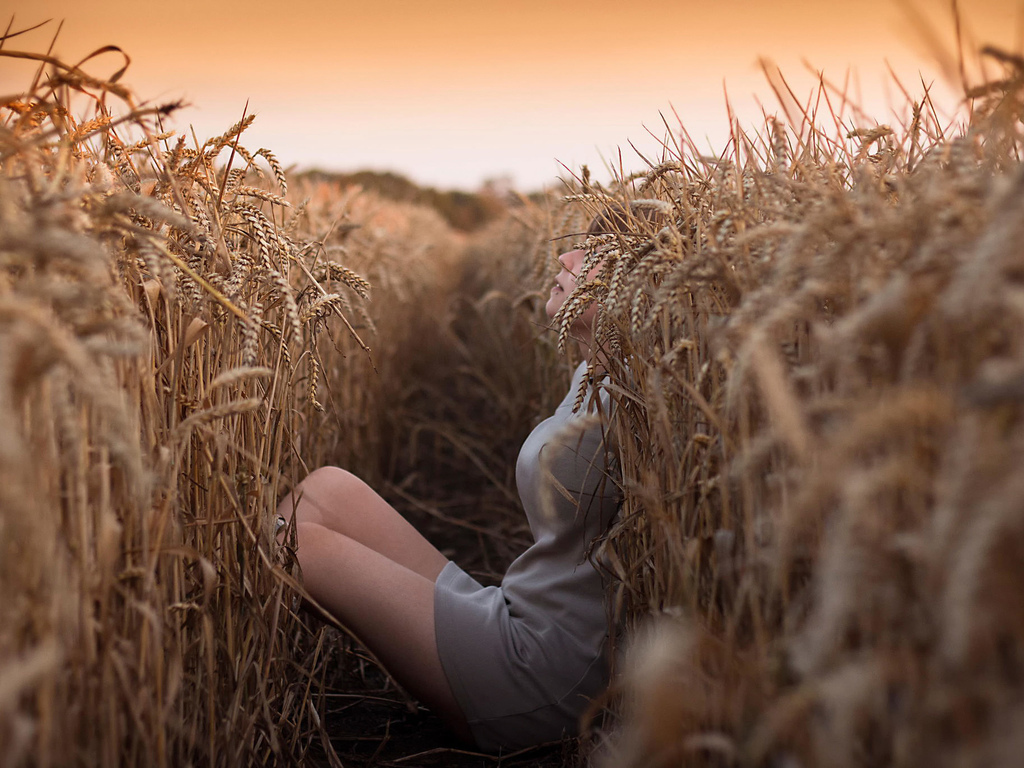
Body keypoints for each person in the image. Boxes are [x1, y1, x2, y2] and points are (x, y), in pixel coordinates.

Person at [277, 215, 623, 752]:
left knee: (299, 547)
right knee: (328, 488)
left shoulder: (650, 407)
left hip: (547, 672)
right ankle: (268, 681)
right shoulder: (593, 372)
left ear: (636, 287)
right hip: (516, 609)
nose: (565, 259)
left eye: (594, 254)